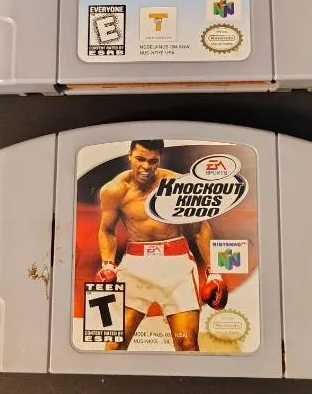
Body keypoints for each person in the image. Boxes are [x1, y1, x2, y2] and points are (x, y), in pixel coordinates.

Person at [95, 139, 227, 351]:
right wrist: (108, 264)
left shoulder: (176, 184)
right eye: (140, 159)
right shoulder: (114, 190)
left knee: (187, 344)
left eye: (153, 161)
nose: (146, 167)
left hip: (176, 266)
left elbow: (200, 228)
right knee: (115, 344)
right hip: (135, 267)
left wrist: (215, 273)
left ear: (160, 159)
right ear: (129, 155)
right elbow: (106, 230)